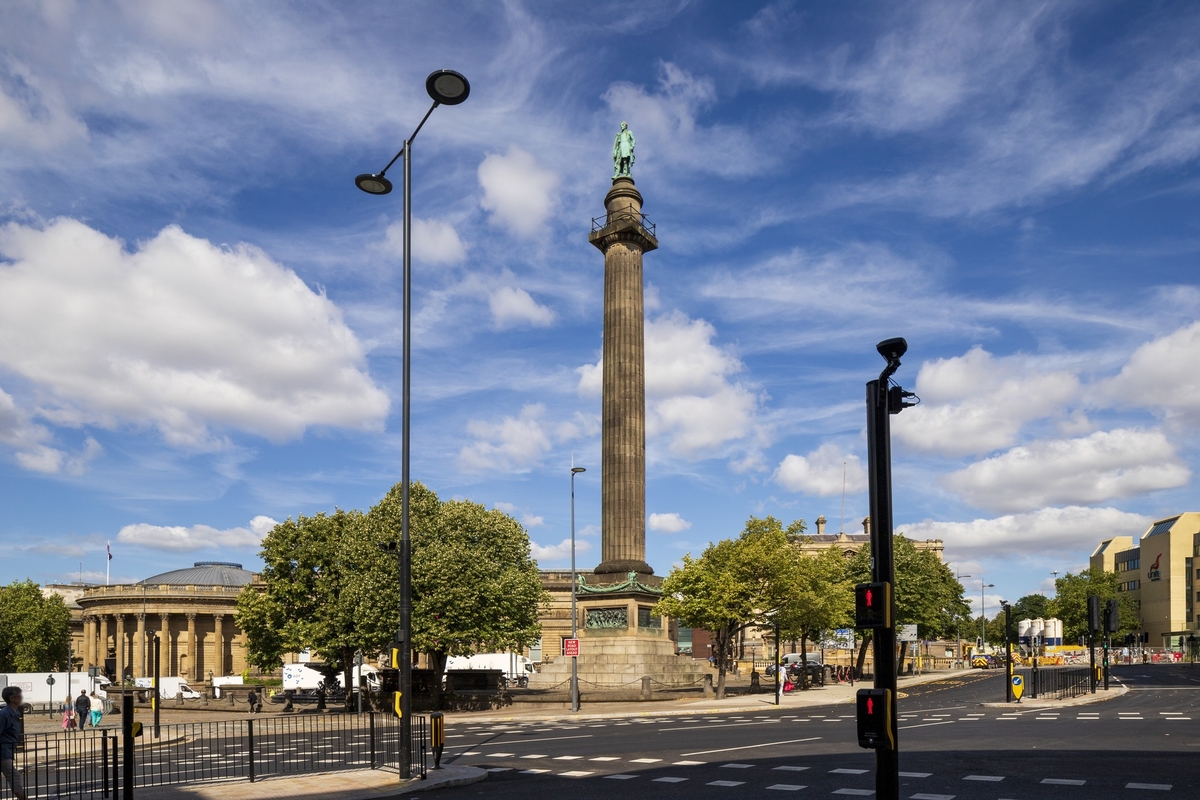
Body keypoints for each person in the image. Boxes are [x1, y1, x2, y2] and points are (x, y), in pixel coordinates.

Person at [0, 686, 27, 800]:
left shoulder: (14, 713)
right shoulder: (4, 714)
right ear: (12, 698)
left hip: (7, 751)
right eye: (19, 695)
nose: (22, 697)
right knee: (14, 777)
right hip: (3, 752)